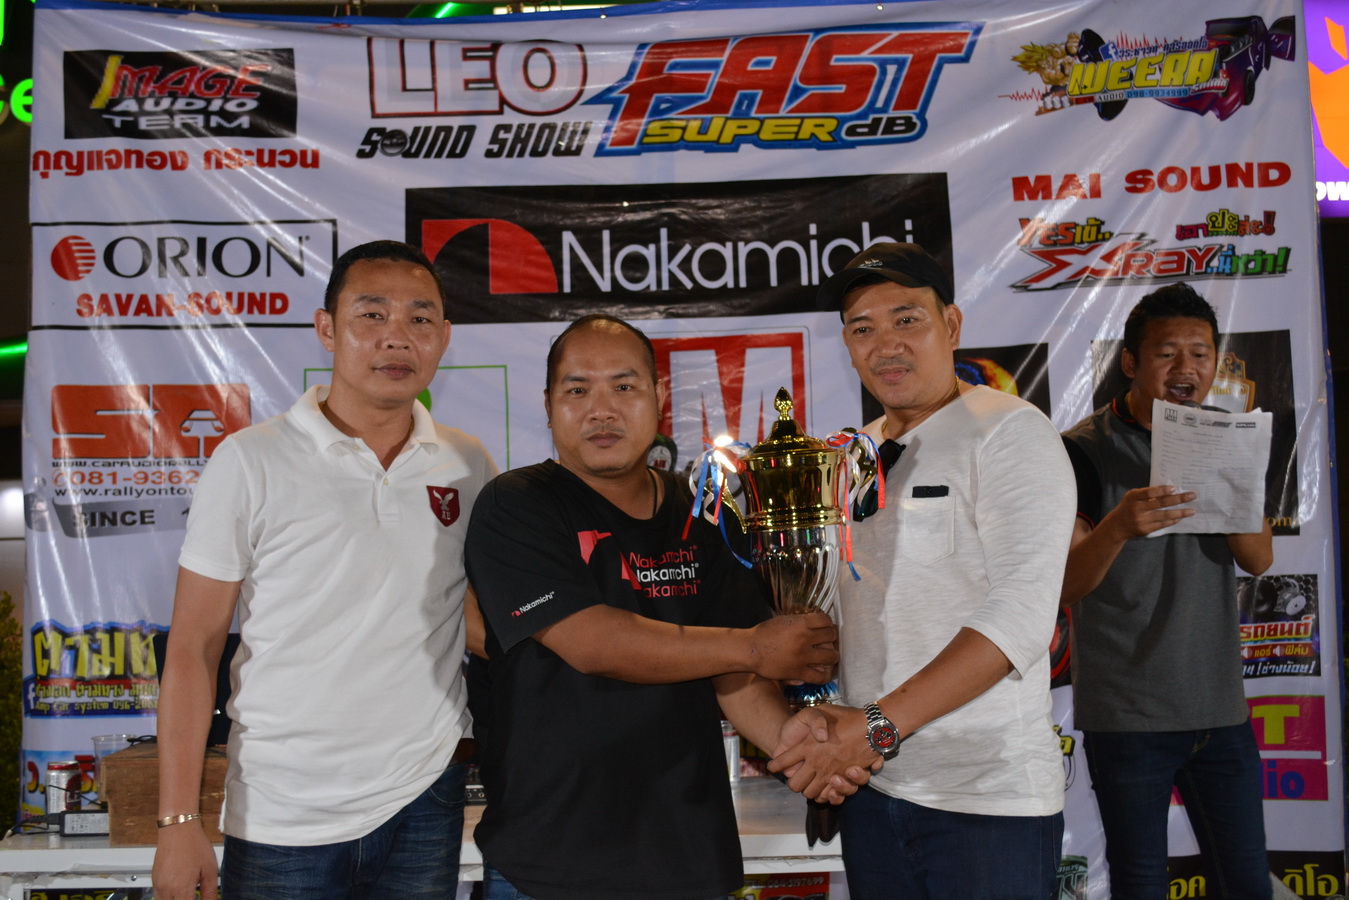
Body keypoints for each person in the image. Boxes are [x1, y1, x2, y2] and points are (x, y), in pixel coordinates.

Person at [465, 314, 862, 900]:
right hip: (551, 860)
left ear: (658, 397)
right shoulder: (516, 504)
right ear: (548, 405)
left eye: (623, 386)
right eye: (578, 390)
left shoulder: (703, 510)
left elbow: (737, 675)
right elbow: (594, 643)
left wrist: (797, 745)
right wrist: (755, 647)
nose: (602, 410)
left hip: (688, 852)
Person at [152, 240, 496, 900]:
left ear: (444, 337)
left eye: (420, 318)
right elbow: (193, 648)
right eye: (372, 314)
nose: (397, 337)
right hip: (283, 807)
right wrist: (177, 821)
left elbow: (478, 619)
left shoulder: (466, 462)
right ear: (327, 328)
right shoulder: (249, 460)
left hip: (424, 796)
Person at [772, 242, 1075, 898]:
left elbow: (1021, 617)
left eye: (906, 319)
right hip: (873, 790)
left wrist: (873, 727)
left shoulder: (1009, 431)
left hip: (984, 800)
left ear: (951, 325)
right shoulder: (853, 455)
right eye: (862, 329)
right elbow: (854, 616)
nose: (886, 345)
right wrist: (821, 713)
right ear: (847, 346)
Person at [1060, 283, 1274, 898]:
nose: (1186, 368)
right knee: (1142, 884)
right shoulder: (1082, 450)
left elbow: (1258, 559)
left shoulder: (1229, 435)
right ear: (1131, 362)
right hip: (1128, 717)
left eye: (1200, 354)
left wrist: (1230, 472)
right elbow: (1066, 583)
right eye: (1167, 353)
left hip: (1220, 711)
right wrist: (1120, 526)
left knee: (1247, 884)